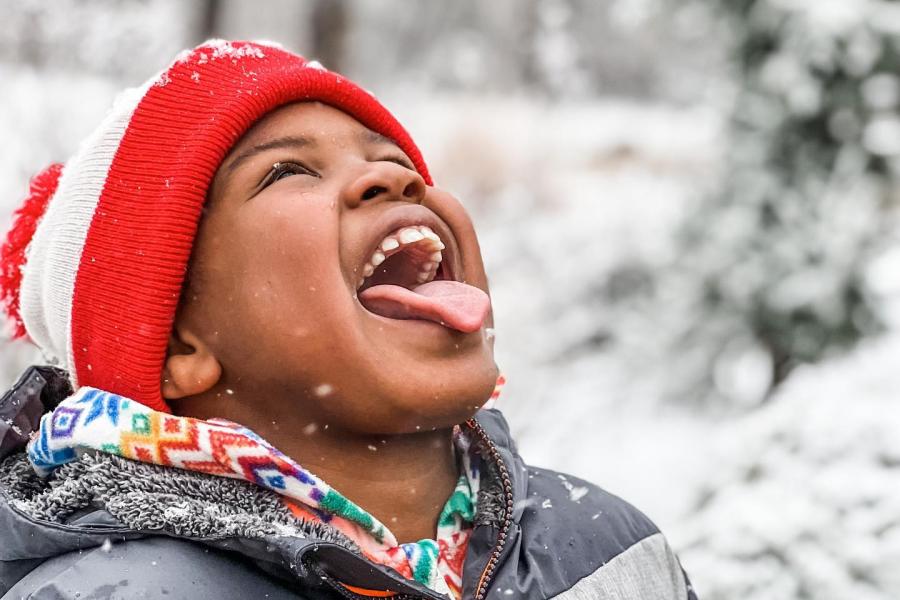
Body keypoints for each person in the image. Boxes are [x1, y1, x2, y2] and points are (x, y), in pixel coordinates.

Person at [0, 40, 696, 600]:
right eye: (289, 172)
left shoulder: (610, 548)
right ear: (181, 343)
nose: (395, 181)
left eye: (392, 161)